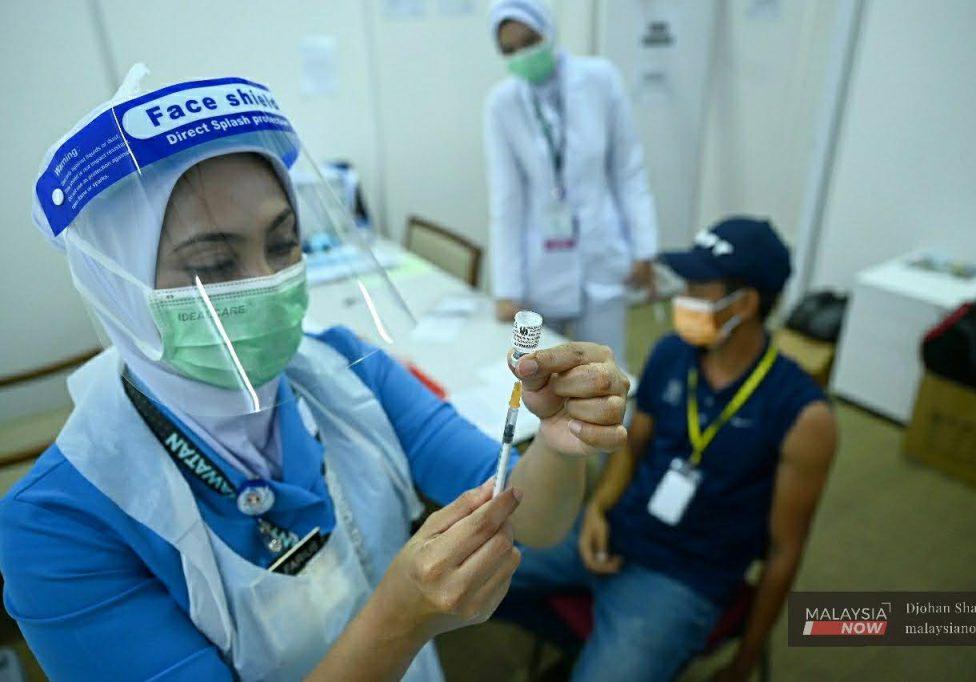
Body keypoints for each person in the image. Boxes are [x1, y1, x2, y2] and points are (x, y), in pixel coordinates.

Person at [0, 66, 630, 681]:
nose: (267, 281)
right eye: (215, 262)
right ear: (119, 288)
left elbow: (534, 522)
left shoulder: (346, 374)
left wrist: (558, 443)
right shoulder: (59, 526)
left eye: (282, 243)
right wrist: (399, 622)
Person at [506, 218, 838, 681]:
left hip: (683, 579)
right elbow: (632, 446)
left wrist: (744, 664)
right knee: (479, 566)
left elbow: (785, 552)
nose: (683, 297)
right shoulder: (671, 354)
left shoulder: (804, 415)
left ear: (744, 304)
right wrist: (599, 508)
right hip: (612, 529)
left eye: (699, 287)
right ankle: (588, 645)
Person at [484, 0, 659, 363]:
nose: (522, 55)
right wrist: (507, 289)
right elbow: (506, 202)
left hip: (603, 253)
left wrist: (644, 247)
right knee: (537, 373)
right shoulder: (501, 105)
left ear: (548, 30)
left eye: (529, 41)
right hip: (540, 267)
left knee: (607, 370)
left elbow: (628, 169)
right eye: (510, 50)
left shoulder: (600, 79)